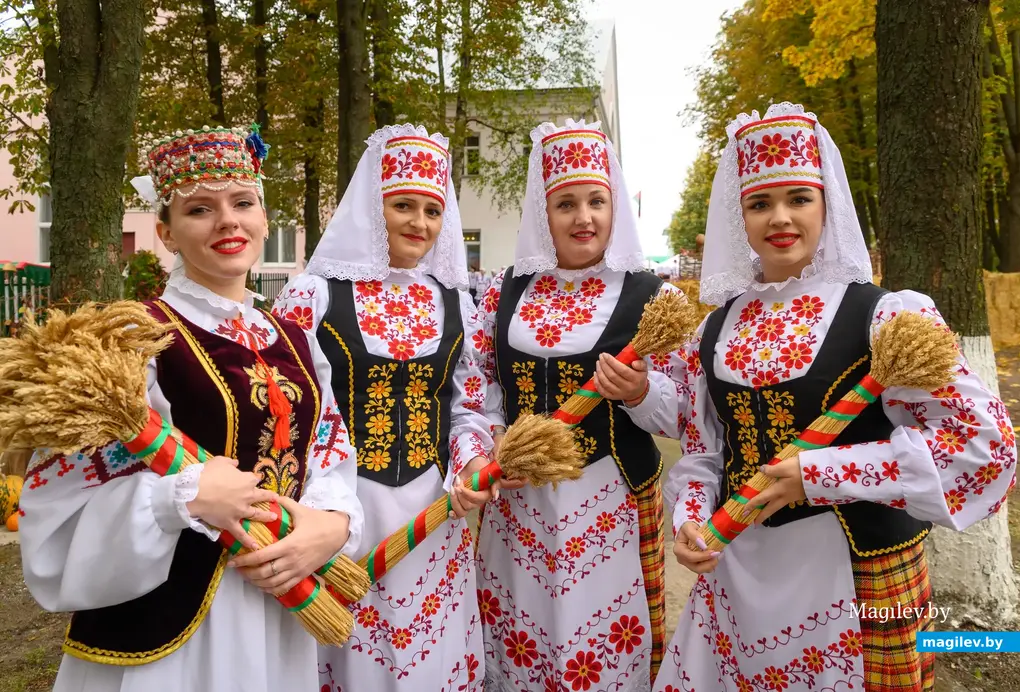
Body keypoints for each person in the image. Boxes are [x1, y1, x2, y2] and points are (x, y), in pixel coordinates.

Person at [652, 103, 1018, 691]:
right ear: (737, 215)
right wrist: (691, 520)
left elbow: (980, 446)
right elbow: (703, 452)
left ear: (827, 203)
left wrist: (823, 472)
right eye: (759, 203)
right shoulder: (715, 330)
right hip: (741, 570)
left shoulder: (885, 317)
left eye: (799, 198)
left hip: (859, 572)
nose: (780, 218)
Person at [18, 125, 363, 691]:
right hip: (167, 623)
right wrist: (179, 498)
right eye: (199, 209)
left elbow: (327, 451)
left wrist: (329, 524)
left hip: (277, 602)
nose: (228, 221)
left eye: (242, 202)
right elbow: (60, 498)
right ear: (166, 233)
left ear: (265, 218)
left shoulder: (295, 338)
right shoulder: (132, 337)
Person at [273, 124, 496, 692]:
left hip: (431, 507)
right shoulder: (315, 294)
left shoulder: (455, 303)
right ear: (375, 208)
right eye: (403, 205)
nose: (419, 223)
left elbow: (466, 406)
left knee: (429, 655)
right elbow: (292, 405)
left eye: (432, 209)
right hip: (341, 509)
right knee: (352, 653)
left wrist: (470, 463)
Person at [471, 119, 685, 691]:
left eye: (596, 200)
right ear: (544, 215)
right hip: (520, 503)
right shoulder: (504, 290)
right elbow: (484, 383)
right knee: (520, 633)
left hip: (608, 500)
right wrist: (493, 435)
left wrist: (639, 392)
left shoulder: (650, 296)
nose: (583, 217)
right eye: (565, 203)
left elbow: (687, 414)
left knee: (600, 644)